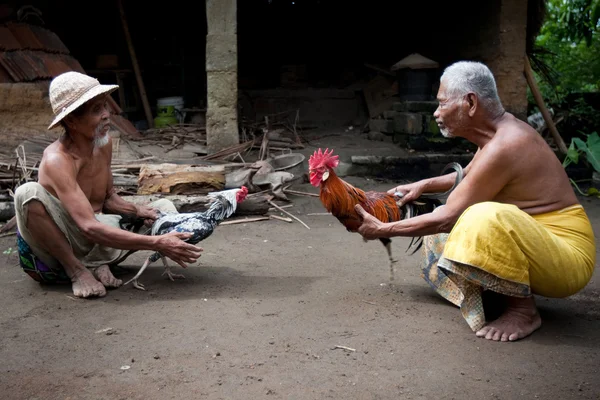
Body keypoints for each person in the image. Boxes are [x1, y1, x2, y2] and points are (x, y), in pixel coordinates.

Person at [354, 61, 596, 342]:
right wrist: (423, 185)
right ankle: (497, 294)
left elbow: (449, 216)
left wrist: (384, 230)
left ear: (470, 103)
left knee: (476, 217)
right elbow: (469, 174)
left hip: (567, 259)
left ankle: (522, 311)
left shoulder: (507, 145)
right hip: (541, 243)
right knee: (447, 231)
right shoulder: (497, 136)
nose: (436, 112)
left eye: (442, 103)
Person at [13, 71, 203, 298]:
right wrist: (157, 243)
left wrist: (137, 211)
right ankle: (77, 270)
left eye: (105, 106)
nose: (107, 115)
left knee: (165, 210)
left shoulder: (103, 143)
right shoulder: (58, 160)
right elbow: (88, 227)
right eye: (96, 110)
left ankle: (98, 261)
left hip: (97, 232)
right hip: (63, 242)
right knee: (26, 193)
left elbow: (107, 198)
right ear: (72, 121)